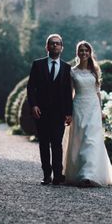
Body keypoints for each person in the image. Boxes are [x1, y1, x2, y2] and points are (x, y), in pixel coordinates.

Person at [63, 41, 112, 186]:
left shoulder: (95, 71)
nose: (84, 52)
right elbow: (70, 93)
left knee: (91, 140)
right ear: (77, 53)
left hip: (93, 108)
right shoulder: (72, 71)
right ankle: (79, 173)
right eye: (81, 50)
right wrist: (68, 112)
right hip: (79, 107)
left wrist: (100, 111)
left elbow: (98, 93)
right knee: (80, 140)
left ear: (90, 52)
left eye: (86, 50)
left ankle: (88, 175)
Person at [26, 34, 73, 185]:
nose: (54, 46)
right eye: (51, 44)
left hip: (59, 113)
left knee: (57, 144)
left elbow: (67, 92)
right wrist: (33, 105)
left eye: (57, 44)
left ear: (62, 47)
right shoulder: (37, 64)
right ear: (47, 47)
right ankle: (47, 175)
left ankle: (58, 175)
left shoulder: (67, 68)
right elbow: (31, 87)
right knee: (44, 144)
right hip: (41, 112)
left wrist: (69, 113)